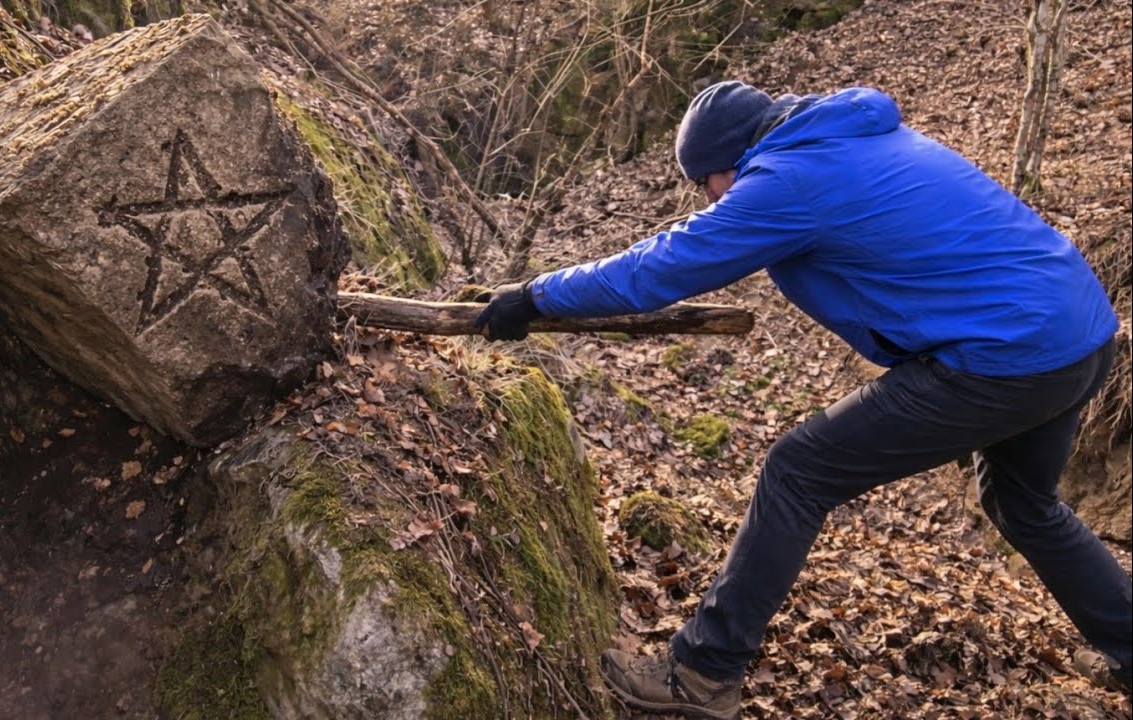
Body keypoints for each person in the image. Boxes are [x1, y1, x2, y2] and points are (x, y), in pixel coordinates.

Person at [474, 81, 1130, 718]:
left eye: (705, 180)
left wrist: (534, 297)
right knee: (1025, 504)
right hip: (1080, 331)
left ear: (730, 160)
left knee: (798, 471)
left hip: (1006, 357)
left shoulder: (788, 181)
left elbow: (656, 271)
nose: (708, 196)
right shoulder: (850, 138)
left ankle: (704, 671)